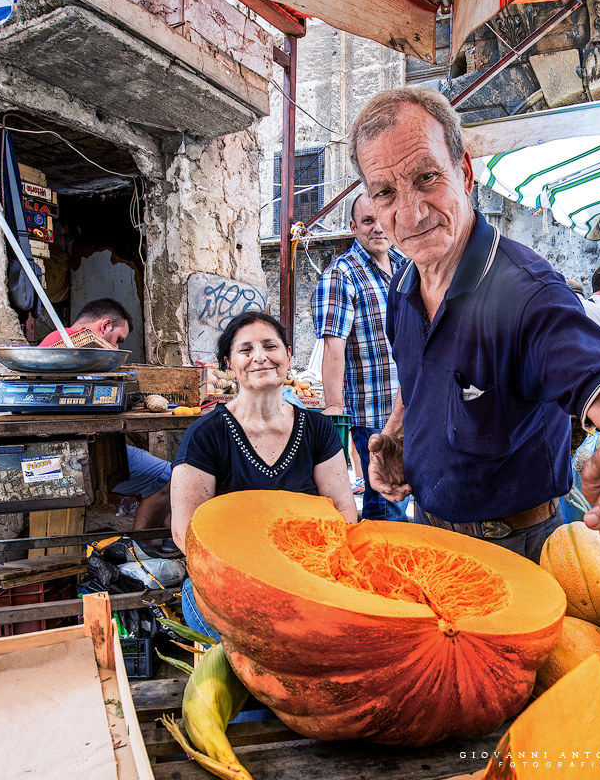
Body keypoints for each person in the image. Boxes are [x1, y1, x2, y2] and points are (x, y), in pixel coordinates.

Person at [350, 86, 600, 562]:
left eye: (425, 178)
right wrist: (398, 437)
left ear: (463, 172)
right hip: (425, 533)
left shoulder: (527, 292)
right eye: (385, 193)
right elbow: (417, 376)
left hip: (514, 548)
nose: (411, 213)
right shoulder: (403, 285)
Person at [170, 311, 357, 634]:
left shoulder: (318, 430)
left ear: (287, 355)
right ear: (229, 364)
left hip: (306, 579)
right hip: (227, 584)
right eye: (245, 350)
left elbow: (344, 511)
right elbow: (185, 532)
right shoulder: (205, 435)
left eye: (270, 346)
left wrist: (311, 572)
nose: (260, 357)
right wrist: (250, 581)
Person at [39, 298, 173, 549]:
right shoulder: (79, 349)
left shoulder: (53, 340)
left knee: (143, 458)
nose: (117, 345)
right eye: (119, 339)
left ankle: (162, 539)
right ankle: (141, 549)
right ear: (106, 326)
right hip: (77, 451)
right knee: (169, 475)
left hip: (67, 445)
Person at [312, 193, 409, 521]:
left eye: (383, 217)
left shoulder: (403, 265)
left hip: (407, 406)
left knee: (394, 495)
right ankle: (383, 566)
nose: (378, 227)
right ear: (353, 227)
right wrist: (335, 409)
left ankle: (380, 555)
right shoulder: (342, 274)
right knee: (388, 500)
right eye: (368, 221)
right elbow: (332, 346)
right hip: (372, 412)